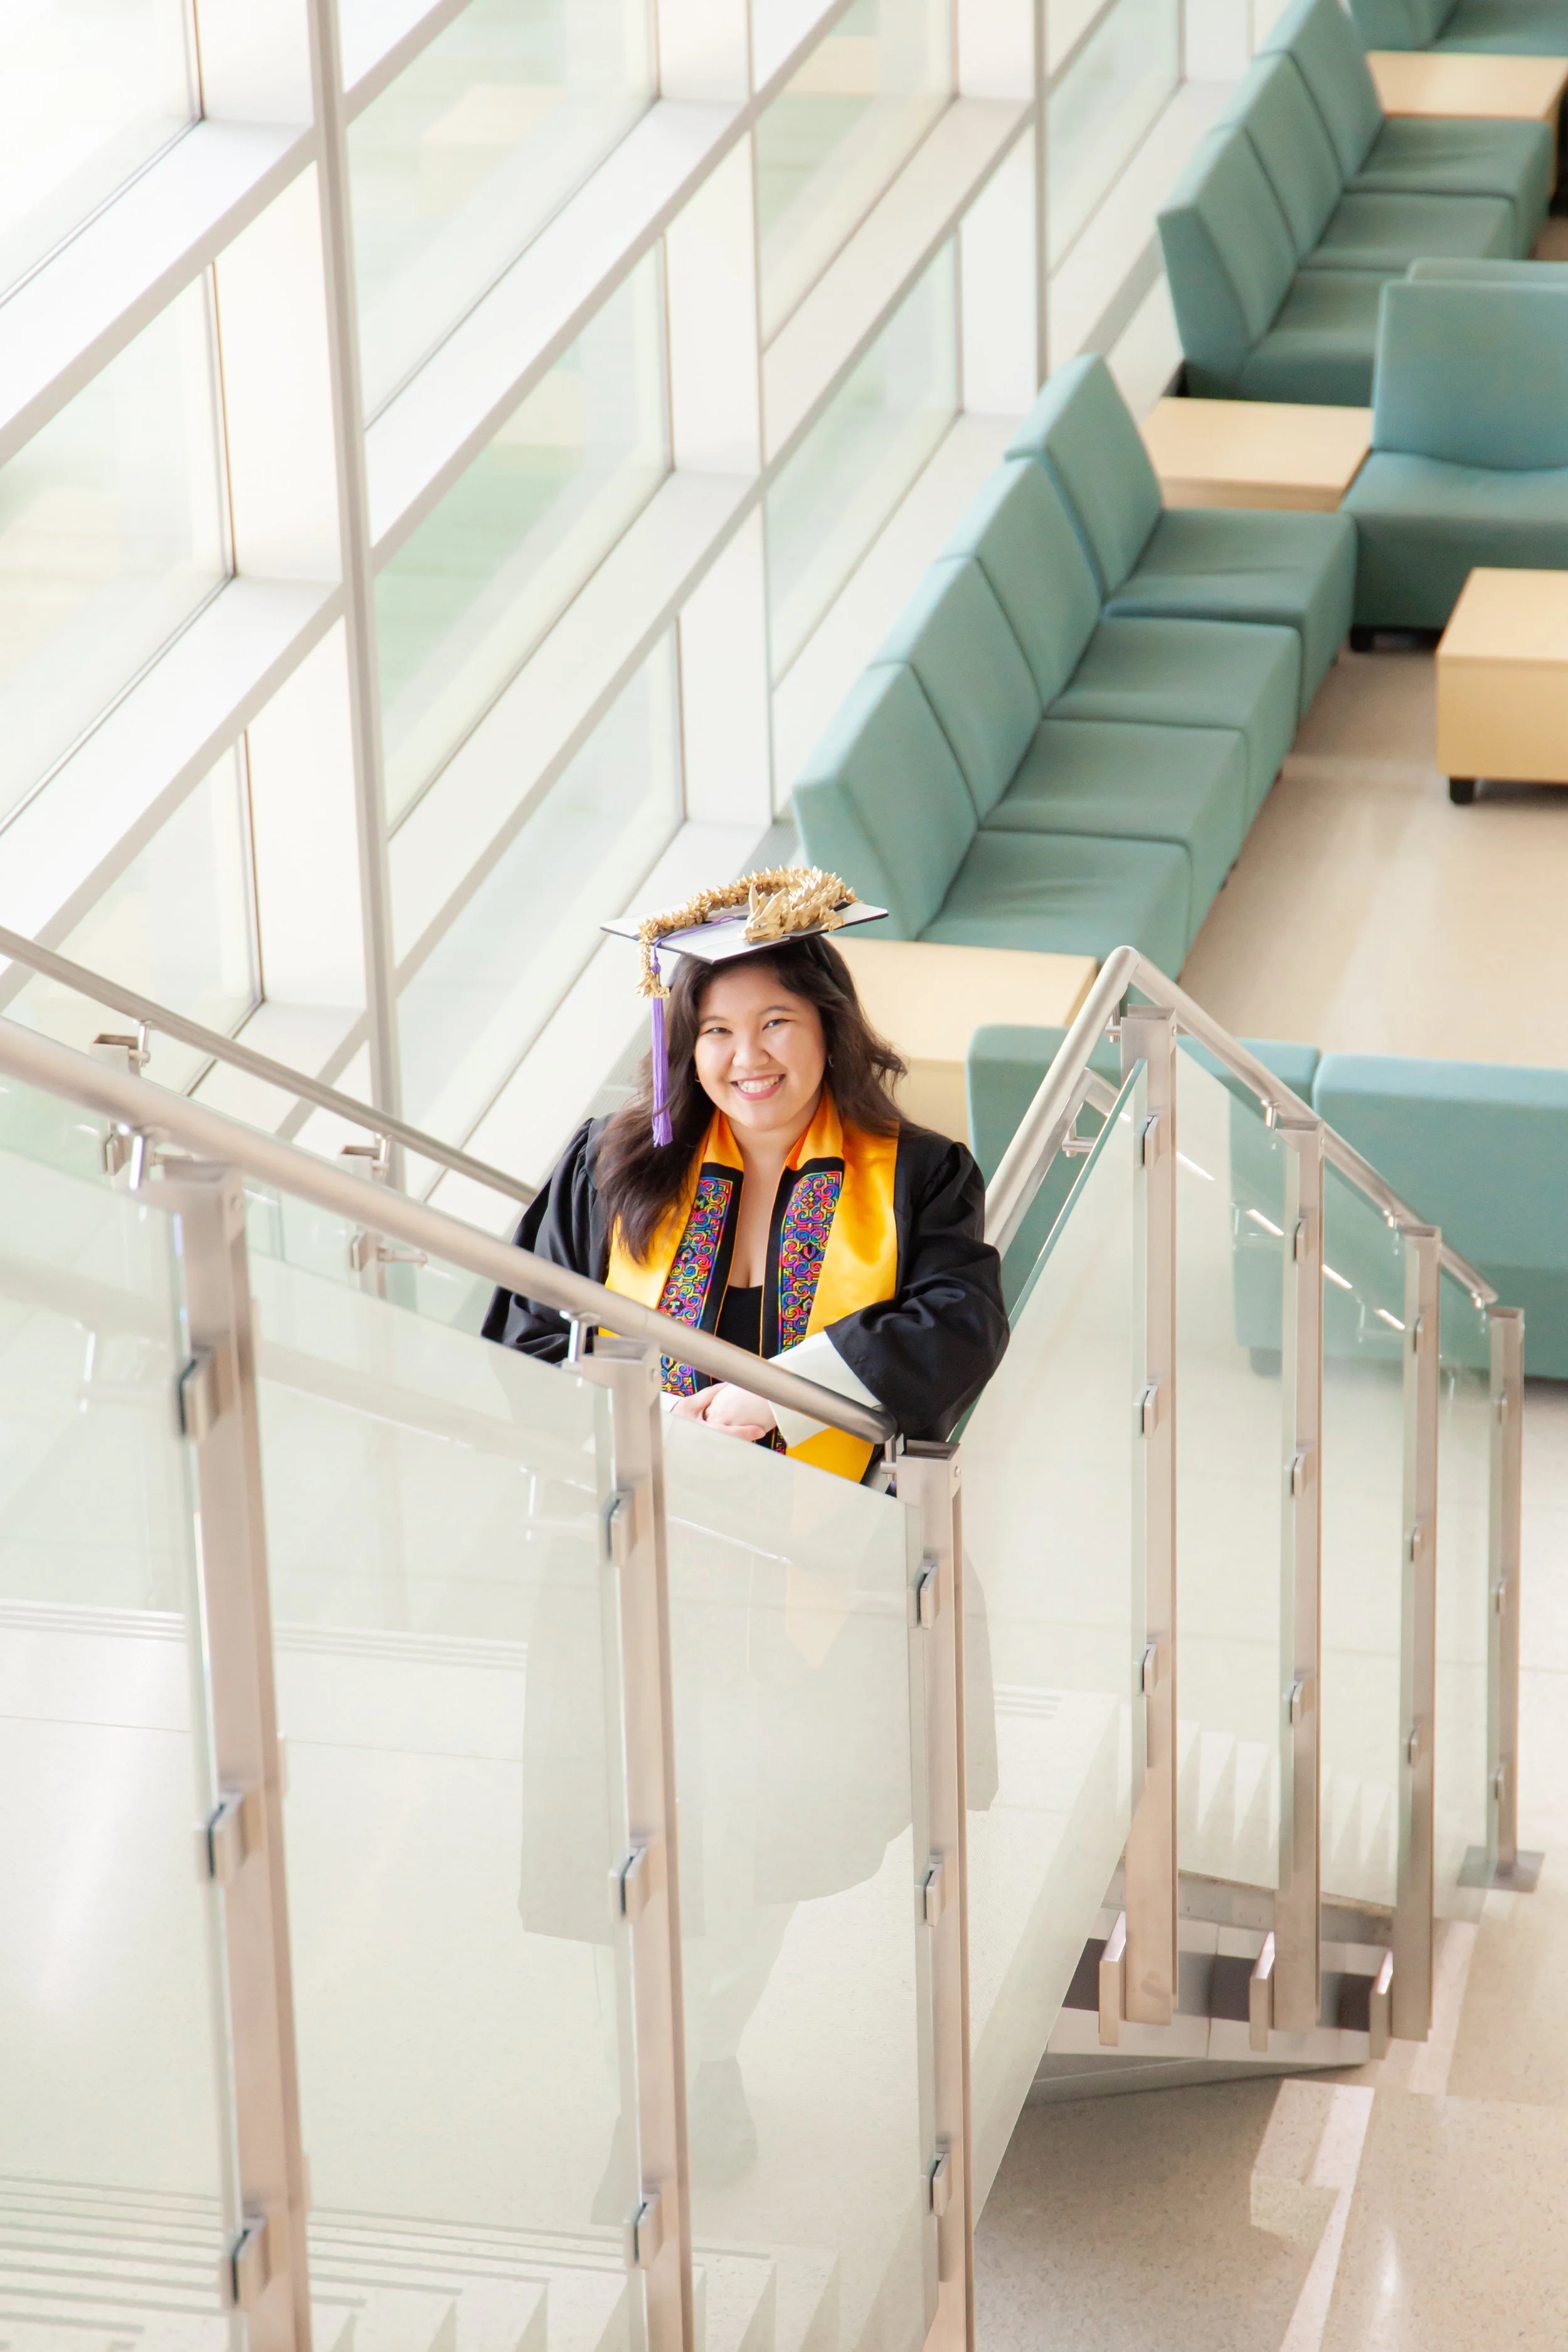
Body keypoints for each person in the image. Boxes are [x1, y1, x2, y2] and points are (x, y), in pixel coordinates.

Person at [482, 866, 1009, 1478]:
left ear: (828, 1030)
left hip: (842, 1535)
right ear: (689, 1047)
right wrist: (662, 1417)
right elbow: (531, 1338)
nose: (748, 1057)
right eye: (717, 1031)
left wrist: (778, 1394)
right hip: (643, 1505)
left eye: (775, 1023)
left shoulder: (918, 1173)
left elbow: (959, 1323)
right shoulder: (608, 1166)